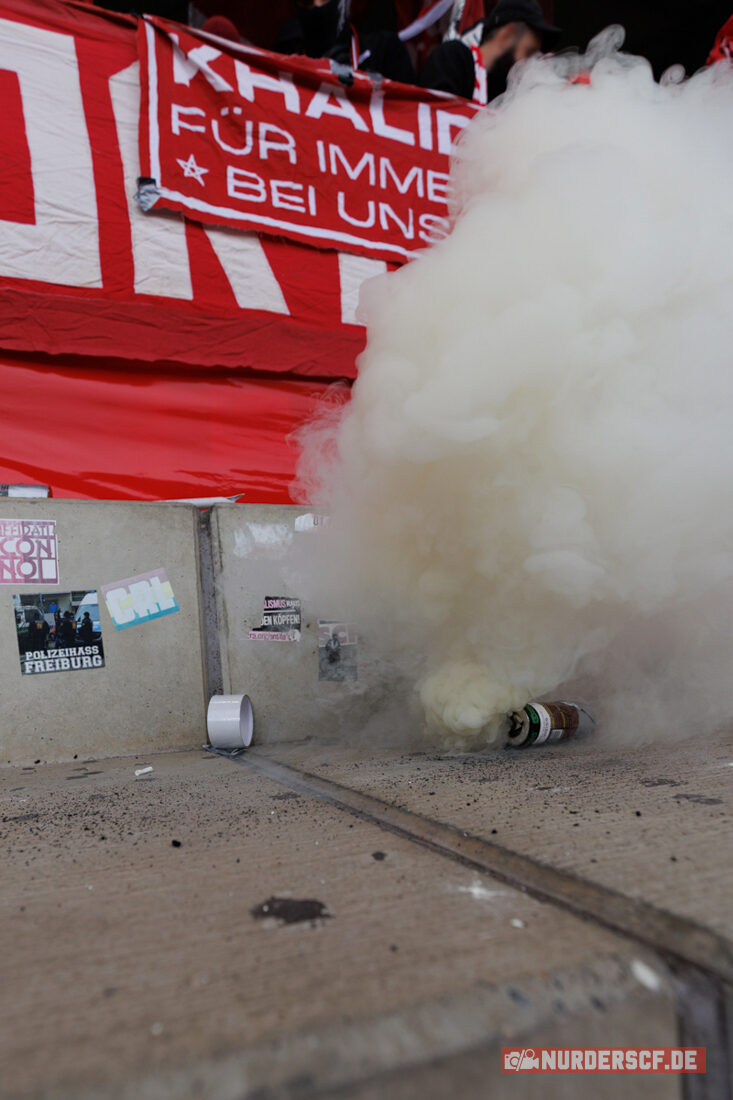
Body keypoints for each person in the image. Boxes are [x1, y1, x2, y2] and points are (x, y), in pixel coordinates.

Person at [420, 0, 559, 104]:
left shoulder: (510, 95)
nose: (528, 66)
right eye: (528, 53)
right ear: (508, 32)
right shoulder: (453, 58)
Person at [274, 0, 415, 84]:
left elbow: (406, 111)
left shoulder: (385, 50)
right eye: (307, 2)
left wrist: (361, 82)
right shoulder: (287, 54)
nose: (317, 6)